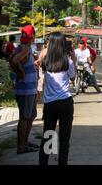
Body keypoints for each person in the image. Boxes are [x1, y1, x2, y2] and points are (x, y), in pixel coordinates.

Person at [39, 32, 75, 165]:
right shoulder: (68, 61)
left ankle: (43, 163)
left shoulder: (45, 61)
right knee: (64, 139)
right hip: (65, 103)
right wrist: (73, 58)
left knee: (48, 136)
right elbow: (73, 77)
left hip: (50, 104)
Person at [9, 25, 39, 154]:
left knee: (31, 116)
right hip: (25, 89)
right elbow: (15, 61)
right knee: (25, 117)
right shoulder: (25, 48)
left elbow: (11, 59)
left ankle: (25, 143)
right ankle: (21, 146)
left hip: (29, 88)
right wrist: (21, 73)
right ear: (32, 36)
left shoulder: (22, 47)